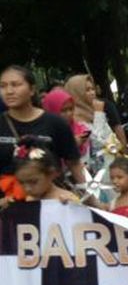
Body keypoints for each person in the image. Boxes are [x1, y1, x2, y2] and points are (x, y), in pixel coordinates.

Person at [0, 66, 84, 207]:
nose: (9, 91)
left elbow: (74, 164)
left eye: (16, 85)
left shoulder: (56, 123)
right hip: (6, 207)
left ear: (32, 90)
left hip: (50, 205)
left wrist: (91, 201)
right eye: (3, 86)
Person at [65, 74, 118, 171]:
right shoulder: (76, 118)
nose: (92, 93)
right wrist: (99, 114)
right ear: (77, 93)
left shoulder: (93, 112)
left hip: (110, 164)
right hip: (95, 170)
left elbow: (110, 137)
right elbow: (97, 142)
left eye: (92, 89)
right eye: (87, 90)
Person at [4, 144, 78, 208]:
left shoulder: (67, 199)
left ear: (51, 174)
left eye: (33, 182)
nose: (27, 188)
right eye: (21, 182)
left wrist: (72, 208)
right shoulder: (29, 199)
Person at [41, 87, 91, 158]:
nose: (69, 113)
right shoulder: (46, 135)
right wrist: (70, 145)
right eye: (63, 111)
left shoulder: (80, 128)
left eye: (71, 109)